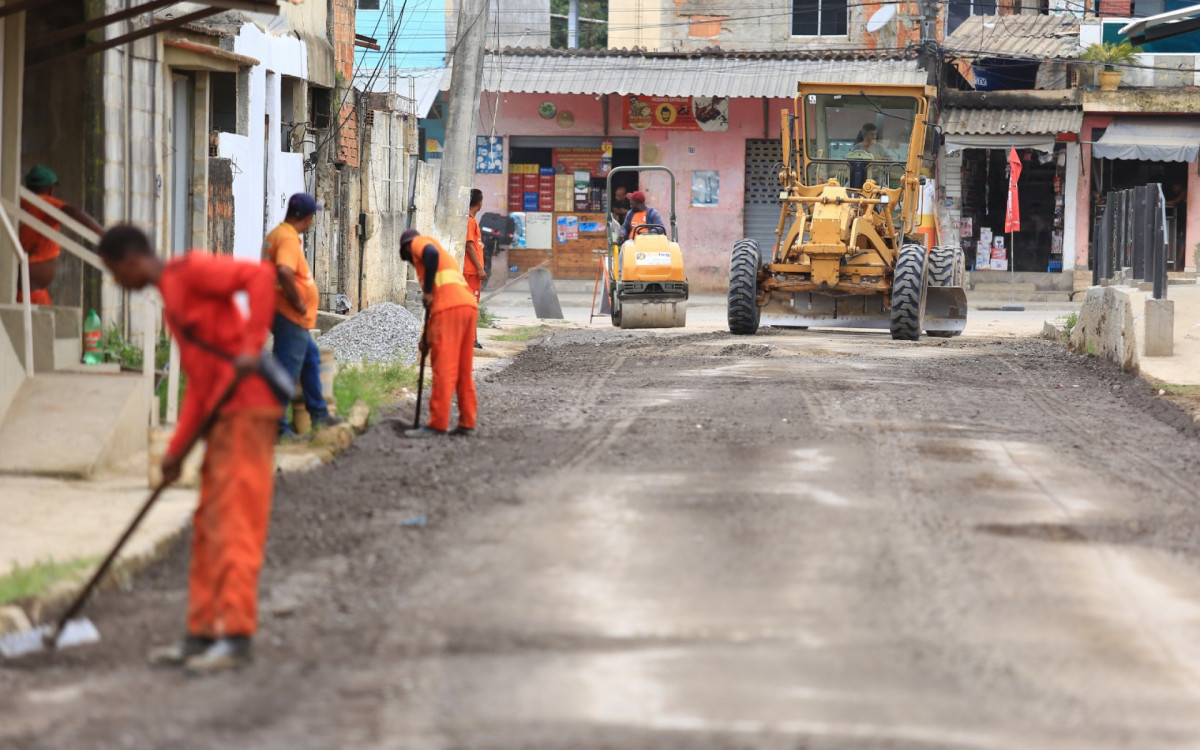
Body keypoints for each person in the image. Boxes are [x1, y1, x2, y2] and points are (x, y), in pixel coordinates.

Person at [96, 224, 280, 674]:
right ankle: (201, 633)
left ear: (131, 261)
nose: (117, 282)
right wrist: (177, 451)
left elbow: (260, 278)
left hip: (249, 410)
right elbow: (201, 387)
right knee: (207, 526)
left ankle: (235, 636)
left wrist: (251, 346)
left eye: (114, 272)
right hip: (221, 417)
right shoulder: (171, 303)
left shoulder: (192, 270)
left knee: (236, 522)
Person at [263, 193, 336, 437]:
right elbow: (284, 271)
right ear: (305, 218)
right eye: (312, 216)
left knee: (311, 360)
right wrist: (298, 302)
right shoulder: (287, 239)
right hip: (289, 315)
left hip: (284, 314)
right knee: (286, 372)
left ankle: (319, 415)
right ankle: (277, 428)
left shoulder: (276, 234)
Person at [400, 228, 478, 438]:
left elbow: (430, 255)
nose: (411, 262)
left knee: (443, 369)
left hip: (450, 309)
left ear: (407, 247)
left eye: (408, 258)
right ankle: (467, 422)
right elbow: (435, 312)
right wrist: (426, 339)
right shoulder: (443, 259)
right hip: (467, 307)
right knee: (463, 370)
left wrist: (427, 293)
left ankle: (437, 424)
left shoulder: (419, 242)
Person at [17, 165, 103, 305]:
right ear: (51, 189)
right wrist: (106, 235)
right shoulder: (43, 201)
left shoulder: (22, 203)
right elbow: (74, 212)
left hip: (28, 290)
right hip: (29, 294)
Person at [464, 189, 487, 349]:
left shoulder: (471, 220)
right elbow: (469, 246)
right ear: (479, 203)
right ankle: (470, 340)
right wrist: (479, 268)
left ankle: (472, 339)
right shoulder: (470, 221)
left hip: (471, 271)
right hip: (471, 272)